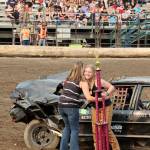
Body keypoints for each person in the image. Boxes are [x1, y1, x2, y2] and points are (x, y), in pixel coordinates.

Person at [58, 61, 95, 150]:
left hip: (61, 105)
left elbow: (70, 91)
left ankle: (63, 148)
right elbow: (89, 98)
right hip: (71, 107)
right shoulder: (82, 82)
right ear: (81, 70)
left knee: (67, 127)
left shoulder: (67, 79)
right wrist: (99, 99)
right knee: (74, 130)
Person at [83, 64, 120, 150]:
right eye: (86, 71)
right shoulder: (84, 83)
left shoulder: (99, 81)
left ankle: (116, 148)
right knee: (95, 130)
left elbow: (112, 87)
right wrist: (100, 99)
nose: (87, 73)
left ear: (93, 73)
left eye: (89, 72)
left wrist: (106, 94)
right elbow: (88, 98)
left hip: (106, 106)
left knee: (107, 129)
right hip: (94, 107)